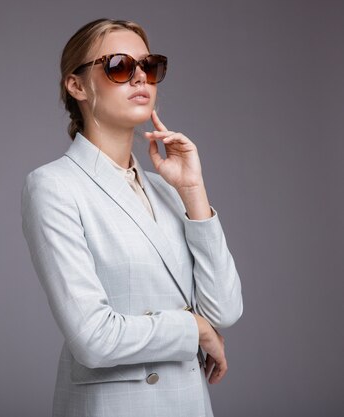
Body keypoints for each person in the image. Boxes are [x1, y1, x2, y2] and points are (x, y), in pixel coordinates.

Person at [20, 18, 243, 417]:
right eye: (120, 65)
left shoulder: (166, 189)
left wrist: (193, 191)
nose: (141, 77)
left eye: (151, 66)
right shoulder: (54, 186)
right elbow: (93, 337)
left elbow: (225, 309)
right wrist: (192, 329)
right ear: (77, 85)